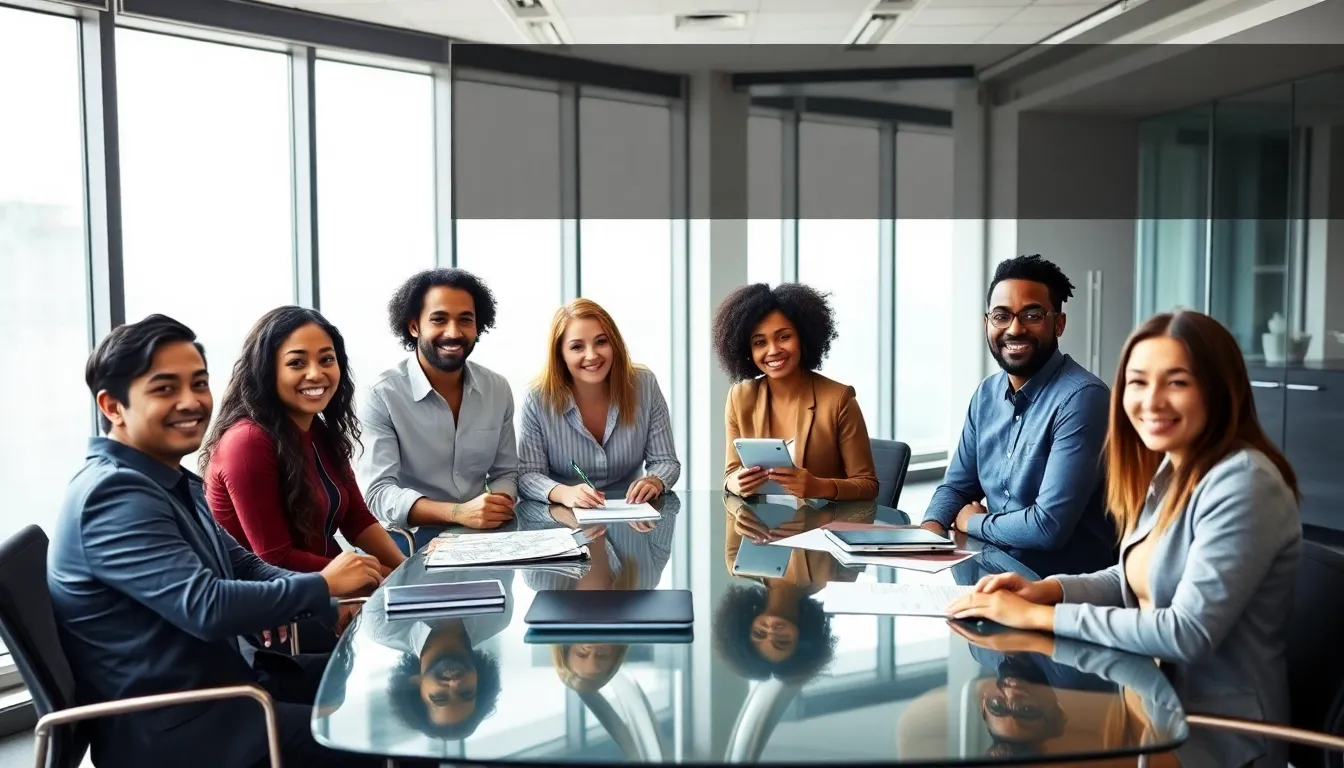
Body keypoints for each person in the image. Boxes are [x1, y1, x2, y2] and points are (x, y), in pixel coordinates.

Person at [946, 310, 1302, 768]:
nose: (1151, 401)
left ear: (1218, 389)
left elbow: (1187, 633)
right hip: (1149, 714)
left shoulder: (1244, 482)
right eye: (1138, 382)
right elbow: (1132, 577)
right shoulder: (1171, 470)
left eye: (1176, 382)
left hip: (1217, 740)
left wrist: (1040, 617)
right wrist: (1049, 590)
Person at [47, 314, 384, 768]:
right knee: (387, 735)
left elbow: (244, 564)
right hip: (184, 728)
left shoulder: (163, 477)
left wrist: (328, 601)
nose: (191, 402)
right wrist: (322, 585)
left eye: (199, 383)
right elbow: (207, 608)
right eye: (165, 388)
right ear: (112, 406)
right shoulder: (114, 495)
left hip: (229, 686)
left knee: (386, 687)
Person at [922, 254, 1115, 576]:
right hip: (994, 571)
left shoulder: (1084, 400)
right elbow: (957, 488)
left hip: (1060, 589)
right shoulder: (986, 394)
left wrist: (972, 522)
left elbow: (1047, 527)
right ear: (987, 324)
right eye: (1001, 316)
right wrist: (928, 532)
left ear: (1059, 323)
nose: (1014, 328)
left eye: (1032, 315)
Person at [201, 306, 406, 577]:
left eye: (326, 360)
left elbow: (357, 519)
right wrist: (376, 575)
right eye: (297, 363)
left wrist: (405, 569)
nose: (315, 374)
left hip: (328, 589)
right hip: (274, 604)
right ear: (266, 371)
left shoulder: (319, 430)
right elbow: (275, 558)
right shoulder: (247, 441)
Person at [360, 268, 520, 550]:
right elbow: (378, 493)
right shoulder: (382, 395)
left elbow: (505, 473)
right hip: (409, 540)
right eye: (439, 319)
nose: (453, 332)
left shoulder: (497, 389)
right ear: (414, 327)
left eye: (465, 320)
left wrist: (495, 506)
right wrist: (459, 513)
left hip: (483, 538)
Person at [713, 283, 878, 501]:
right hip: (759, 529)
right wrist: (737, 482)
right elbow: (730, 474)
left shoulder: (839, 399)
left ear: (803, 336)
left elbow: (868, 485)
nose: (773, 350)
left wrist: (819, 487)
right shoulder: (740, 397)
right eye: (760, 342)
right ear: (747, 350)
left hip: (822, 528)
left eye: (784, 337)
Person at [517, 298, 680, 507]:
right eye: (577, 347)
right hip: (564, 520)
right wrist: (563, 493)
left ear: (614, 343)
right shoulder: (537, 398)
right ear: (560, 355)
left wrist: (655, 481)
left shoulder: (644, 385)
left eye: (601, 342)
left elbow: (665, 461)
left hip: (633, 520)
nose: (592, 356)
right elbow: (528, 475)